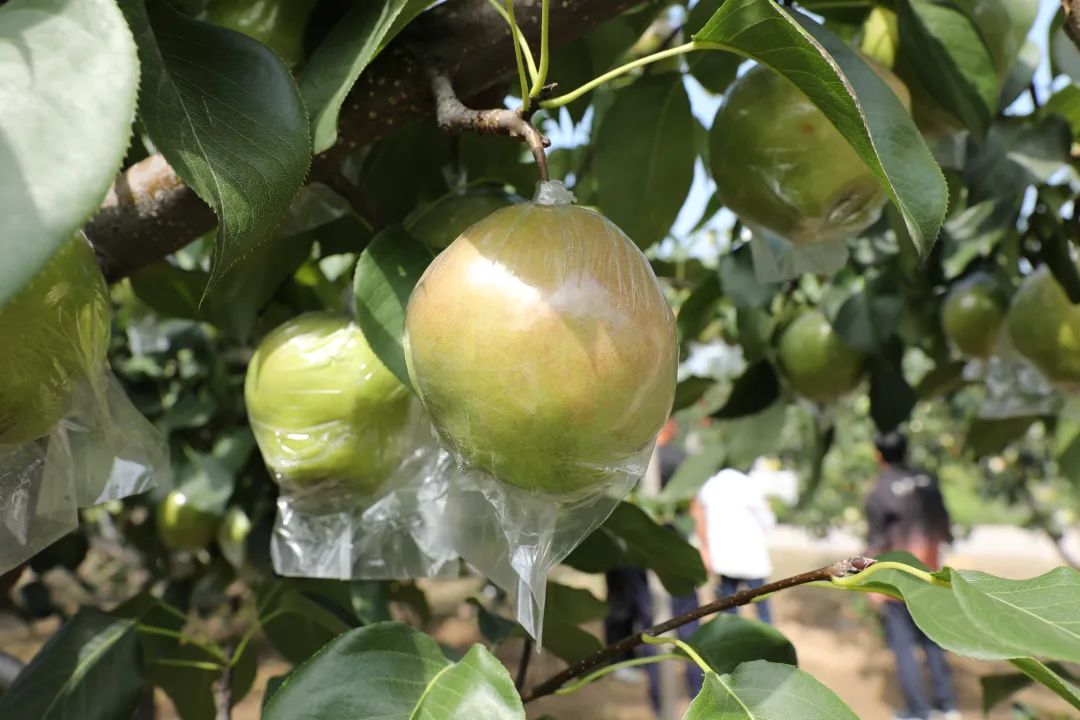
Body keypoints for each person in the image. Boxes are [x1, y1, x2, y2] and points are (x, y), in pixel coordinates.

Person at [865, 431, 960, 720]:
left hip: (899, 582)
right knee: (934, 640)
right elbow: (945, 527)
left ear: (878, 455)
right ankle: (946, 706)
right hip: (931, 576)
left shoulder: (879, 490)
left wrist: (872, 585)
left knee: (903, 647)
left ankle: (918, 711)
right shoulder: (927, 481)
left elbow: (877, 543)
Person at [692, 464, 775, 623]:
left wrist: (705, 549)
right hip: (751, 557)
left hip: (725, 557)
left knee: (729, 608)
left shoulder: (710, 485)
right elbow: (768, 521)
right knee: (762, 607)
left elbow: (700, 517)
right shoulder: (749, 485)